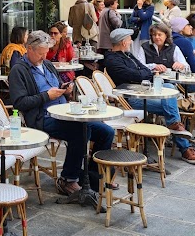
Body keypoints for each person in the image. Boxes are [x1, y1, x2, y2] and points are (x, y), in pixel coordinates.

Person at [9, 30, 116, 196]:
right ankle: (68, 179)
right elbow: (19, 103)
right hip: (42, 118)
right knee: (81, 131)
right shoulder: (19, 70)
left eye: (45, 53)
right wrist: (46, 96)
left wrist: (65, 90)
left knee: (106, 132)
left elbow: (58, 85)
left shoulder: (48, 65)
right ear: (29, 49)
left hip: (65, 112)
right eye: (40, 53)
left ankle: (94, 178)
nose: (43, 57)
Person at [104, 27, 195, 165]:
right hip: (133, 99)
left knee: (169, 88)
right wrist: (144, 74)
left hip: (144, 93)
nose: (131, 41)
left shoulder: (128, 55)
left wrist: (144, 73)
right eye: (129, 39)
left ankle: (175, 126)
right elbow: (138, 74)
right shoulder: (112, 60)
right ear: (123, 42)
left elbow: (144, 70)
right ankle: (184, 146)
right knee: (170, 106)